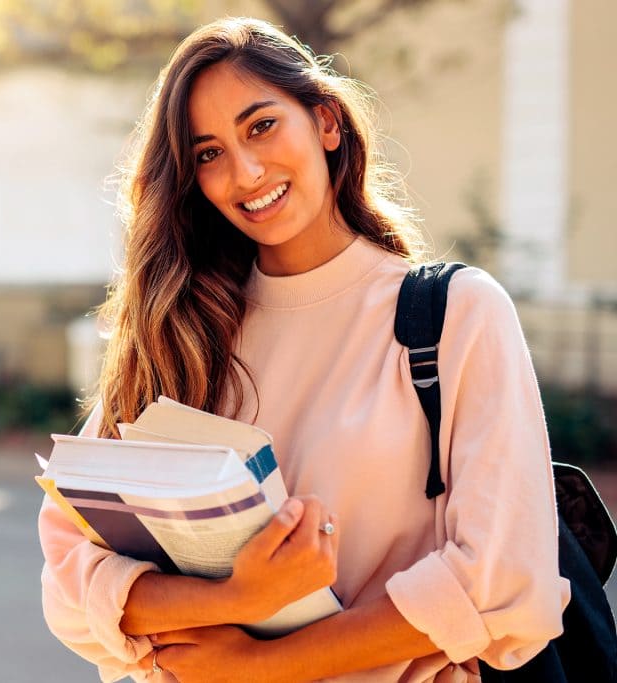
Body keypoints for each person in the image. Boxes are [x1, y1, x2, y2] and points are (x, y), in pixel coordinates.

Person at [38, 16, 570, 683]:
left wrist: (260, 664)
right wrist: (236, 598)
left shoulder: (455, 315)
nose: (246, 171)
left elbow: (499, 579)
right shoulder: (184, 330)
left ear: (325, 122)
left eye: (262, 126)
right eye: (208, 153)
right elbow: (69, 578)